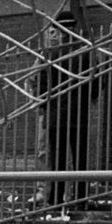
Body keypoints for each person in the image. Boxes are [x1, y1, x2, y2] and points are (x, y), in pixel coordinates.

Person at [37, 12, 95, 209]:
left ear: (60, 30)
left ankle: (55, 199)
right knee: (79, 160)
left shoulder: (51, 55)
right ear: (74, 28)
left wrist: (46, 106)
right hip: (79, 115)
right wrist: (87, 98)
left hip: (55, 116)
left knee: (58, 161)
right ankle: (80, 200)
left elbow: (42, 86)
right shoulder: (86, 52)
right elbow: (95, 83)